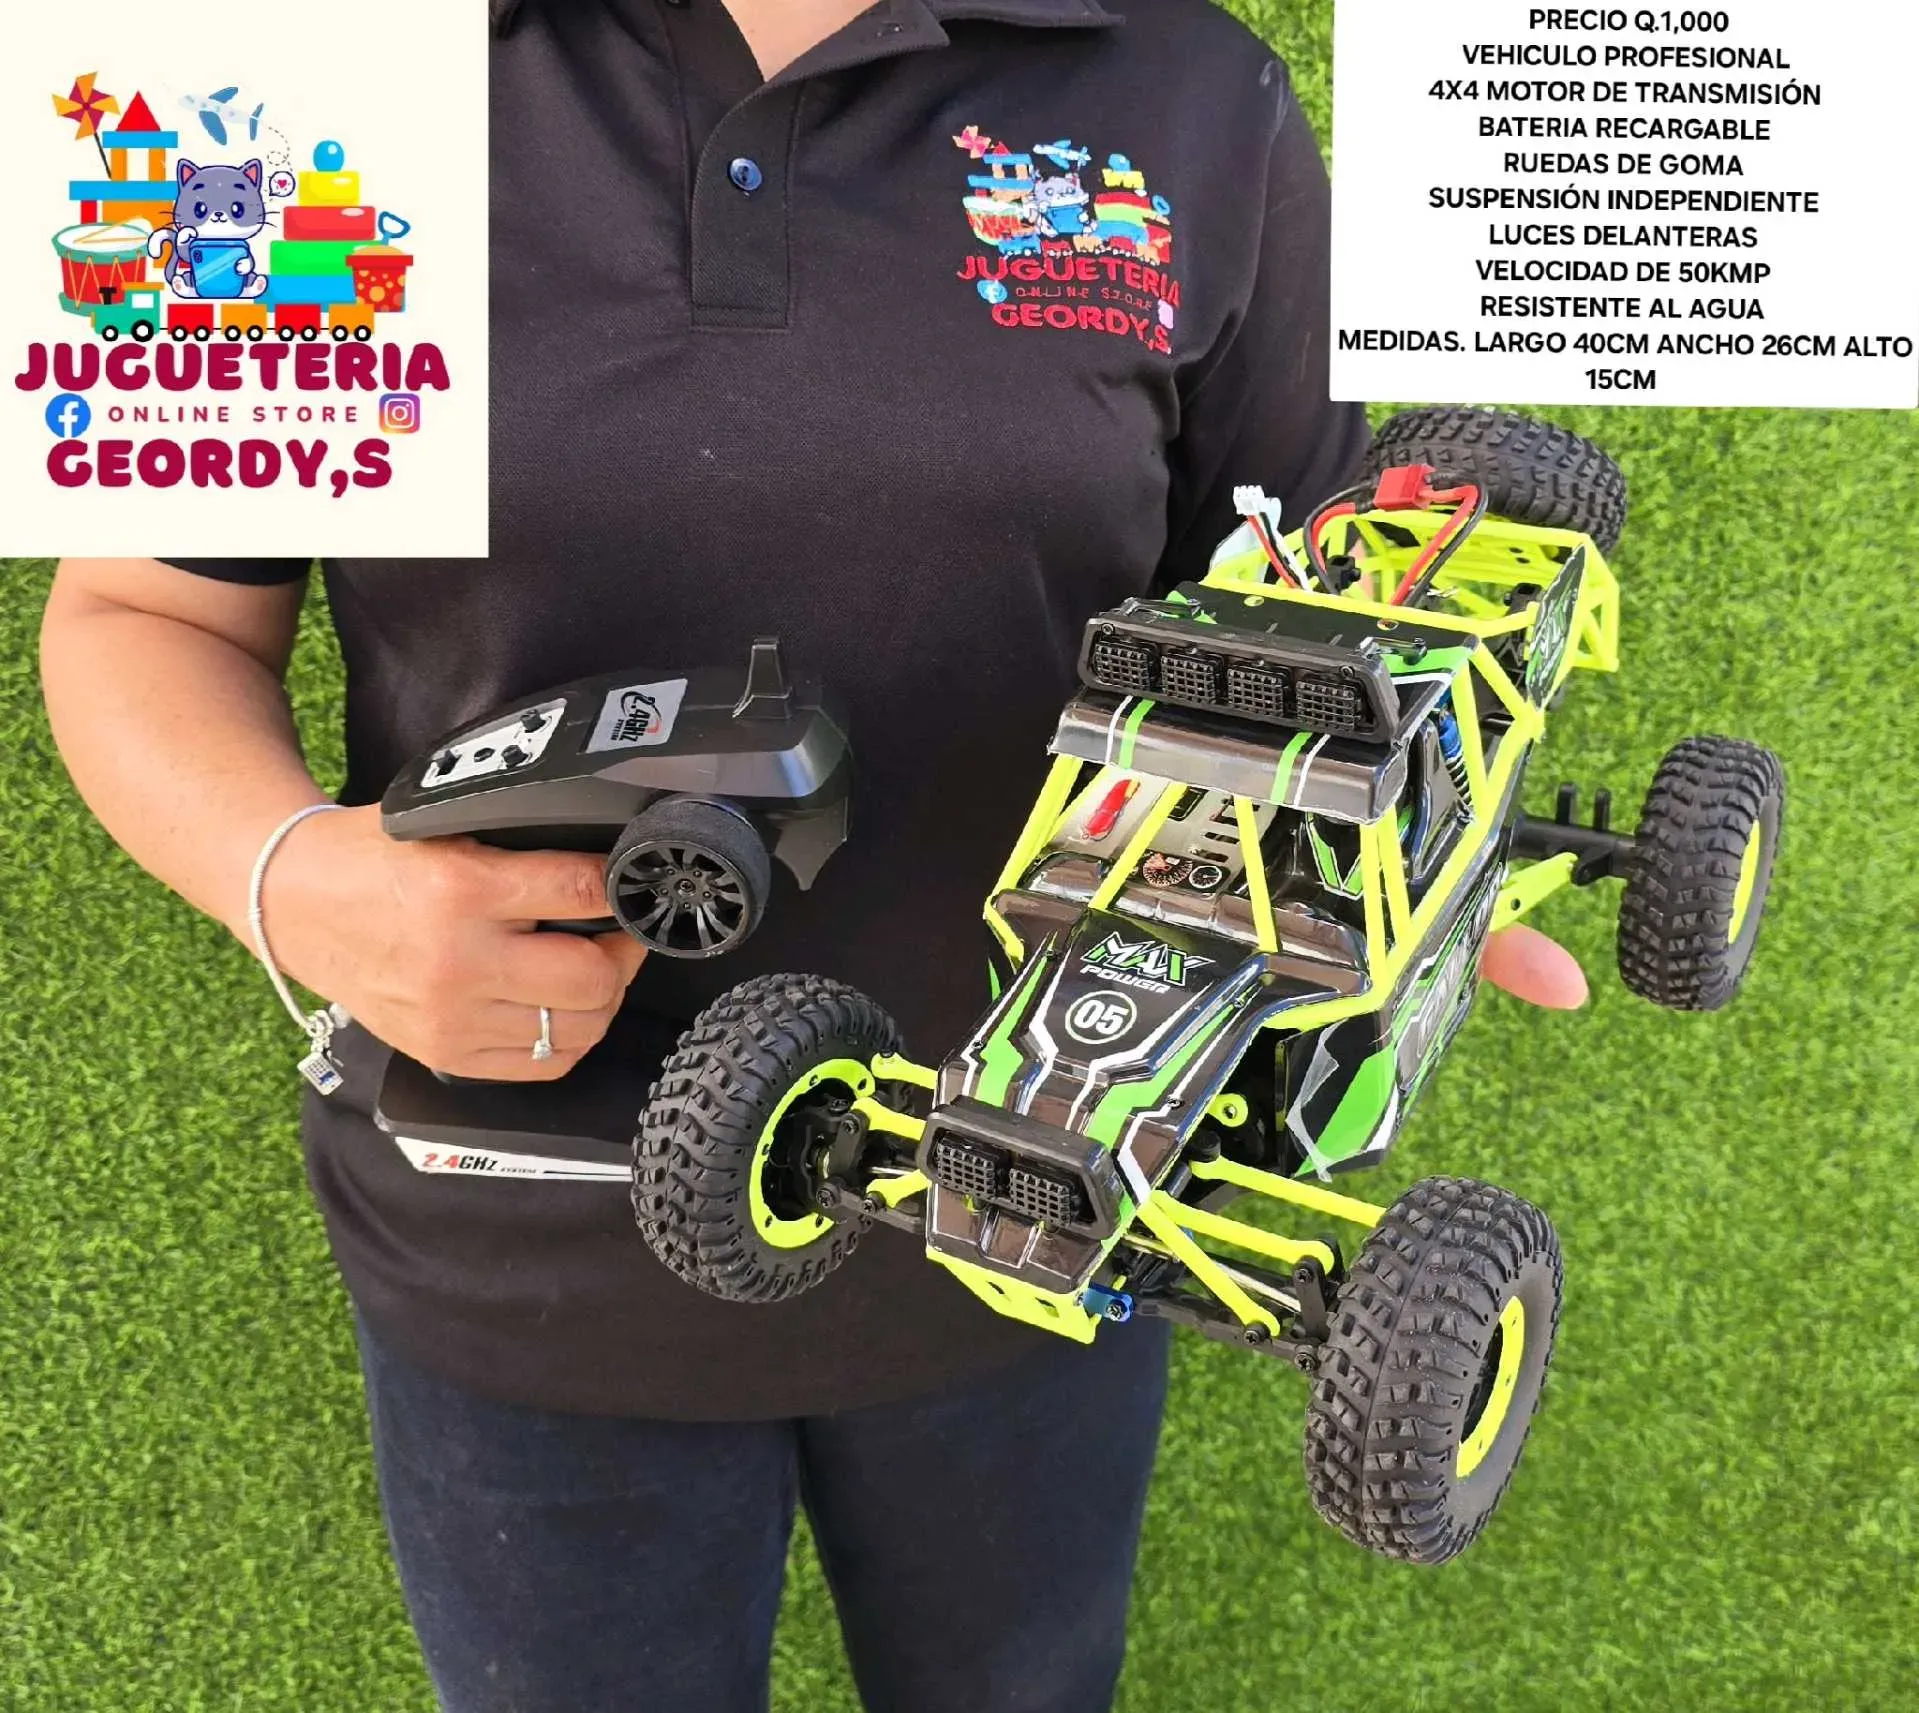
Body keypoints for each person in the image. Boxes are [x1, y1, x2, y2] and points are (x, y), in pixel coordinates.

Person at [39, 1, 1583, 1708]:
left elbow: (1331, 594)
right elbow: (144, 613)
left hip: (1054, 1204)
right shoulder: (290, 83)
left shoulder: (1188, 88)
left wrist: (1425, 834)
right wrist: (290, 877)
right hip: (510, 1238)